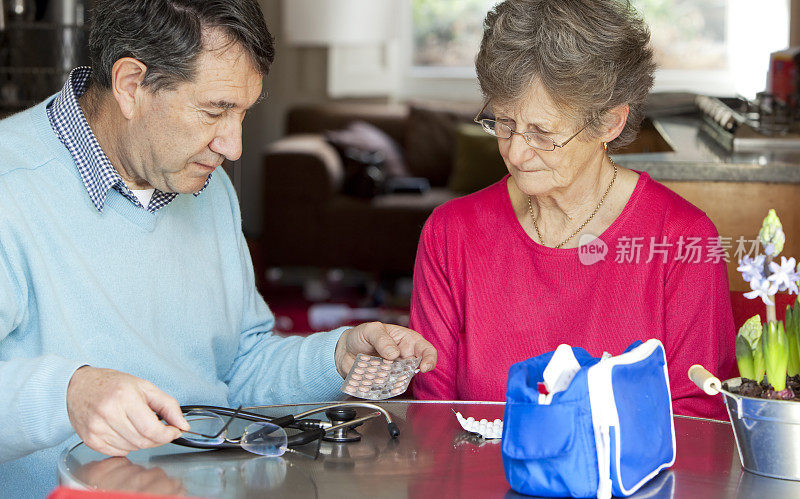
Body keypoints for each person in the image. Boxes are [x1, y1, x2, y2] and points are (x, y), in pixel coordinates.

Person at [0, 1, 436, 496]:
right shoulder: (9, 187)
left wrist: (334, 357)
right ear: (130, 85)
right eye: (215, 110)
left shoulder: (206, 187)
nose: (234, 146)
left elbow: (237, 368)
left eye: (243, 112)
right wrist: (68, 393)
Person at [409, 0, 734, 419]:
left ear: (610, 123)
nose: (517, 153)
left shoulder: (682, 239)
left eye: (542, 133)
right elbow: (431, 416)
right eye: (504, 124)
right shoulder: (450, 233)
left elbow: (699, 424)